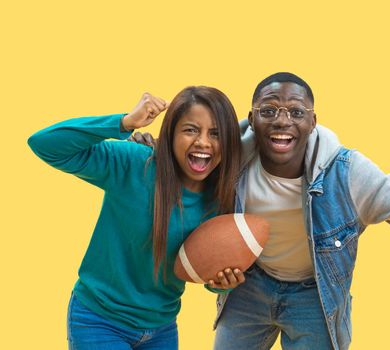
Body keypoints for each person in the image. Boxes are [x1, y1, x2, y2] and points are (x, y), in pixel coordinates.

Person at [130, 73, 390, 350]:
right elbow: (191, 156)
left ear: (312, 122)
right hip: (251, 286)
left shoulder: (346, 172)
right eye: (269, 111)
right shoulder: (230, 157)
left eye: (296, 112)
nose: (283, 121)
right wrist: (154, 152)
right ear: (252, 118)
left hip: (315, 295)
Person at [28, 86, 245, 350]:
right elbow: (44, 144)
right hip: (100, 321)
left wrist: (219, 283)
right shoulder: (133, 164)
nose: (203, 142)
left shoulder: (221, 199)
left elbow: (197, 267)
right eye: (190, 130)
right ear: (171, 134)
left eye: (216, 134)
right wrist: (123, 123)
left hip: (162, 327)